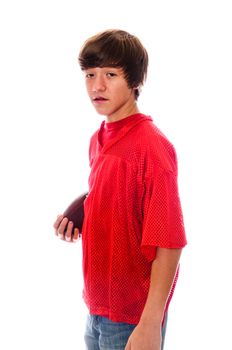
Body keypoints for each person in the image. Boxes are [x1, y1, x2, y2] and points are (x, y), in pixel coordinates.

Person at [53, 29, 187, 350]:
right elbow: (122, 200)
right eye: (90, 74)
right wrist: (85, 211)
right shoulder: (99, 138)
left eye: (110, 74)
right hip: (96, 307)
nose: (97, 86)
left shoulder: (152, 148)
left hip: (131, 316)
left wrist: (150, 324)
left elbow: (169, 243)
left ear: (135, 81)